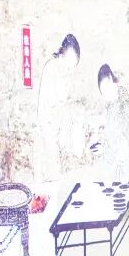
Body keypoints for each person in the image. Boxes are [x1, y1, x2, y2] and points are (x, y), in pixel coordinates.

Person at [34, 33, 81, 183]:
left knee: (53, 173)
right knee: (49, 174)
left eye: (74, 65)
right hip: (47, 127)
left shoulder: (61, 70)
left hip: (54, 129)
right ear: (63, 54)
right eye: (71, 63)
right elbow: (59, 98)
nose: (71, 68)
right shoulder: (52, 68)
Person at [90, 63, 129, 181]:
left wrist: (104, 150)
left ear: (114, 82)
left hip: (126, 163)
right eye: (103, 92)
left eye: (107, 88)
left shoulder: (122, 99)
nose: (106, 94)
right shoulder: (113, 104)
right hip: (120, 163)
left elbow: (122, 138)